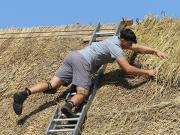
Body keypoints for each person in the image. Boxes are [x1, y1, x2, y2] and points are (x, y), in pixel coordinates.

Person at [13, 28, 168, 118]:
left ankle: (24, 93)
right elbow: (126, 69)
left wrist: (155, 51)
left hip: (73, 56)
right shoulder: (116, 47)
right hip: (83, 62)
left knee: (52, 86)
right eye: (129, 43)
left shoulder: (114, 40)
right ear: (122, 40)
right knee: (83, 92)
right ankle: (68, 106)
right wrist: (147, 72)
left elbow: (138, 48)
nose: (131, 46)